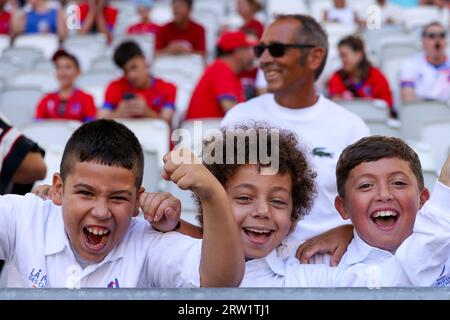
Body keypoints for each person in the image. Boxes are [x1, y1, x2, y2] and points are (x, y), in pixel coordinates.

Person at [171, 126, 450, 287]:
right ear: (342, 208)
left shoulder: (304, 261)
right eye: (244, 198)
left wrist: (349, 230)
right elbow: (389, 283)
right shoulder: (310, 268)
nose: (262, 211)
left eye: (278, 201)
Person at [0, 119, 244, 288]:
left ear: (138, 200)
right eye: (86, 193)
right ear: (58, 189)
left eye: (118, 197)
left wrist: (212, 194)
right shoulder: (25, 217)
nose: (101, 212)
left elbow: (218, 284)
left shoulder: (146, 241)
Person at [221, 14, 370, 251]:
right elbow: (218, 198)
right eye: (261, 50)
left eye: (277, 49)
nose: (265, 60)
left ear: (314, 56)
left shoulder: (350, 127)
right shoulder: (239, 118)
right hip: (254, 262)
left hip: (331, 265)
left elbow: (369, 205)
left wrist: (349, 231)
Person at [184, 31, 255, 121]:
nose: (252, 54)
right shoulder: (221, 70)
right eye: (248, 48)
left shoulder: (226, 70)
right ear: (238, 51)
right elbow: (232, 111)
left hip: (210, 128)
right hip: (204, 129)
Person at [100, 41, 176, 124]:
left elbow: (167, 124)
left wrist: (147, 112)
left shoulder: (168, 88)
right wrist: (119, 113)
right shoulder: (114, 86)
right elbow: (100, 120)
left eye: (134, 67)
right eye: (125, 71)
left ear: (144, 60)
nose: (131, 76)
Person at [328, 35, 396, 118]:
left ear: (359, 54)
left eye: (345, 55)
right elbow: (336, 106)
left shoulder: (377, 76)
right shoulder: (337, 77)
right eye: (341, 56)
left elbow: (386, 106)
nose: (342, 60)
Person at [35, 49, 97, 122]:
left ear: (78, 71)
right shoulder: (46, 99)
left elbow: (90, 128)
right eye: (59, 67)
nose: (63, 72)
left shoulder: (87, 99)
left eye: (68, 67)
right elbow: (37, 127)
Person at [400, 21, 450, 102]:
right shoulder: (410, 64)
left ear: (446, 41)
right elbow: (408, 98)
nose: (437, 40)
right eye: (431, 36)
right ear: (423, 41)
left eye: (442, 35)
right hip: (420, 112)